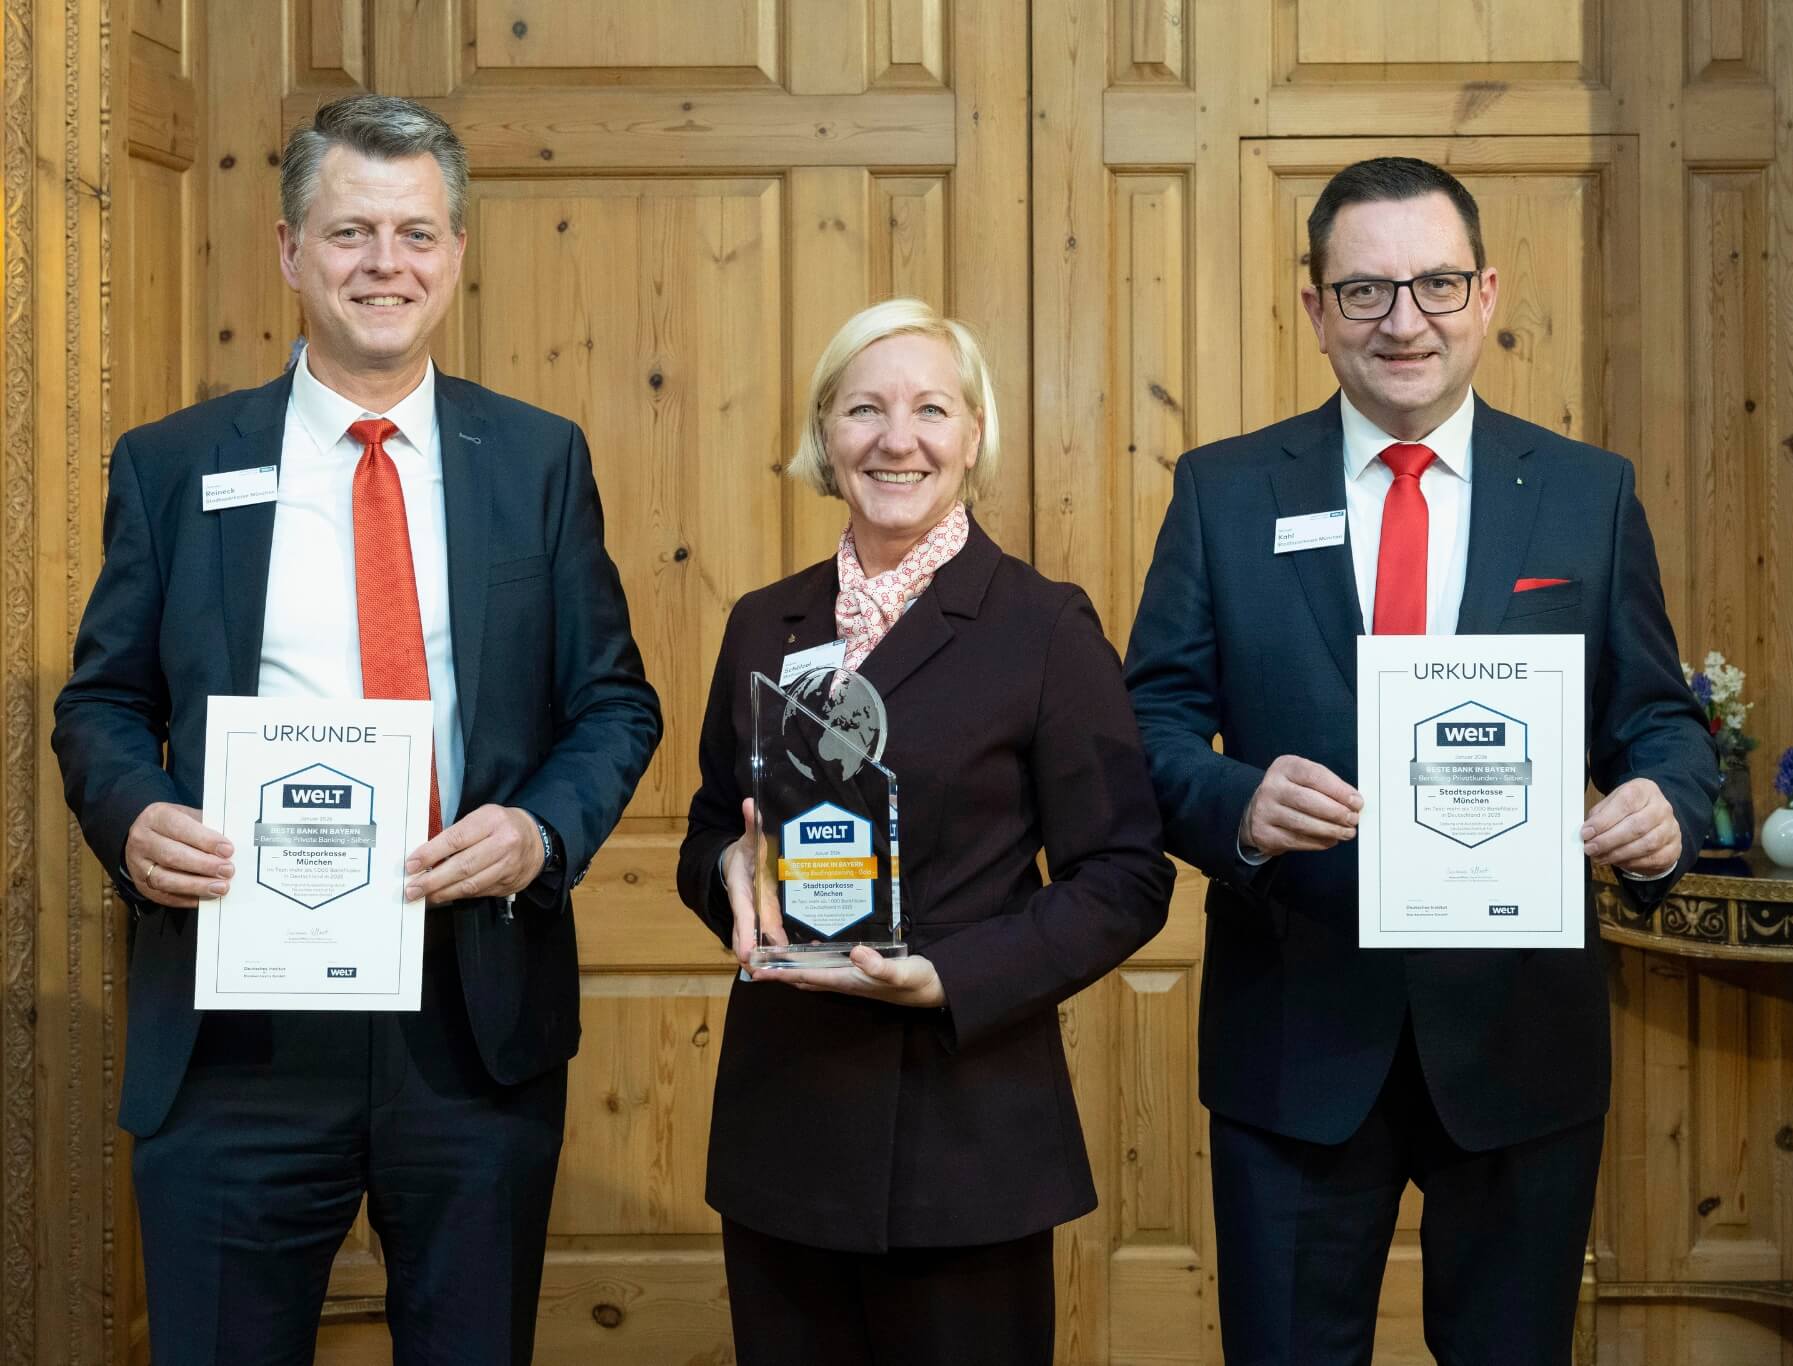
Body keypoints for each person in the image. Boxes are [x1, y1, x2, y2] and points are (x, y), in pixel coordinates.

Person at [51, 94, 662, 1365]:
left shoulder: (536, 460)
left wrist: (538, 832)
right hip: (238, 1020)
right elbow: (101, 702)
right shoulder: (173, 464)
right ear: (290, 250)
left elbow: (614, 702)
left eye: (416, 234)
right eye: (351, 233)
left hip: (470, 1010)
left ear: (455, 252)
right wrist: (135, 815)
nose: (387, 264)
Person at [1122, 157, 1719, 1365]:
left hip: (1518, 1041)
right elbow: (1148, 725)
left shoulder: (1586, 496)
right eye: (1365, 291)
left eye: (1436, 284)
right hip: (1293, 1035)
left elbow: (1657, 720)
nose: (1404, 321)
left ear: (1484, 294)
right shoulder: (1222, 493)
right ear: (1314, 308)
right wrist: (1238, 802)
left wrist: (1663, 803)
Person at [676, 297, 1173, 1366]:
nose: (895, 439)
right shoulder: (763, 622)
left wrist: (952, 976)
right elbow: (715, 825)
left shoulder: (1044, 627)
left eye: (931, 410)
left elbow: (1125, 876)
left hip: (966, 1142)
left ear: (973, 435)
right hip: (784, 1132)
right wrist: (726, 869)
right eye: (863, 408)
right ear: (824, 434)